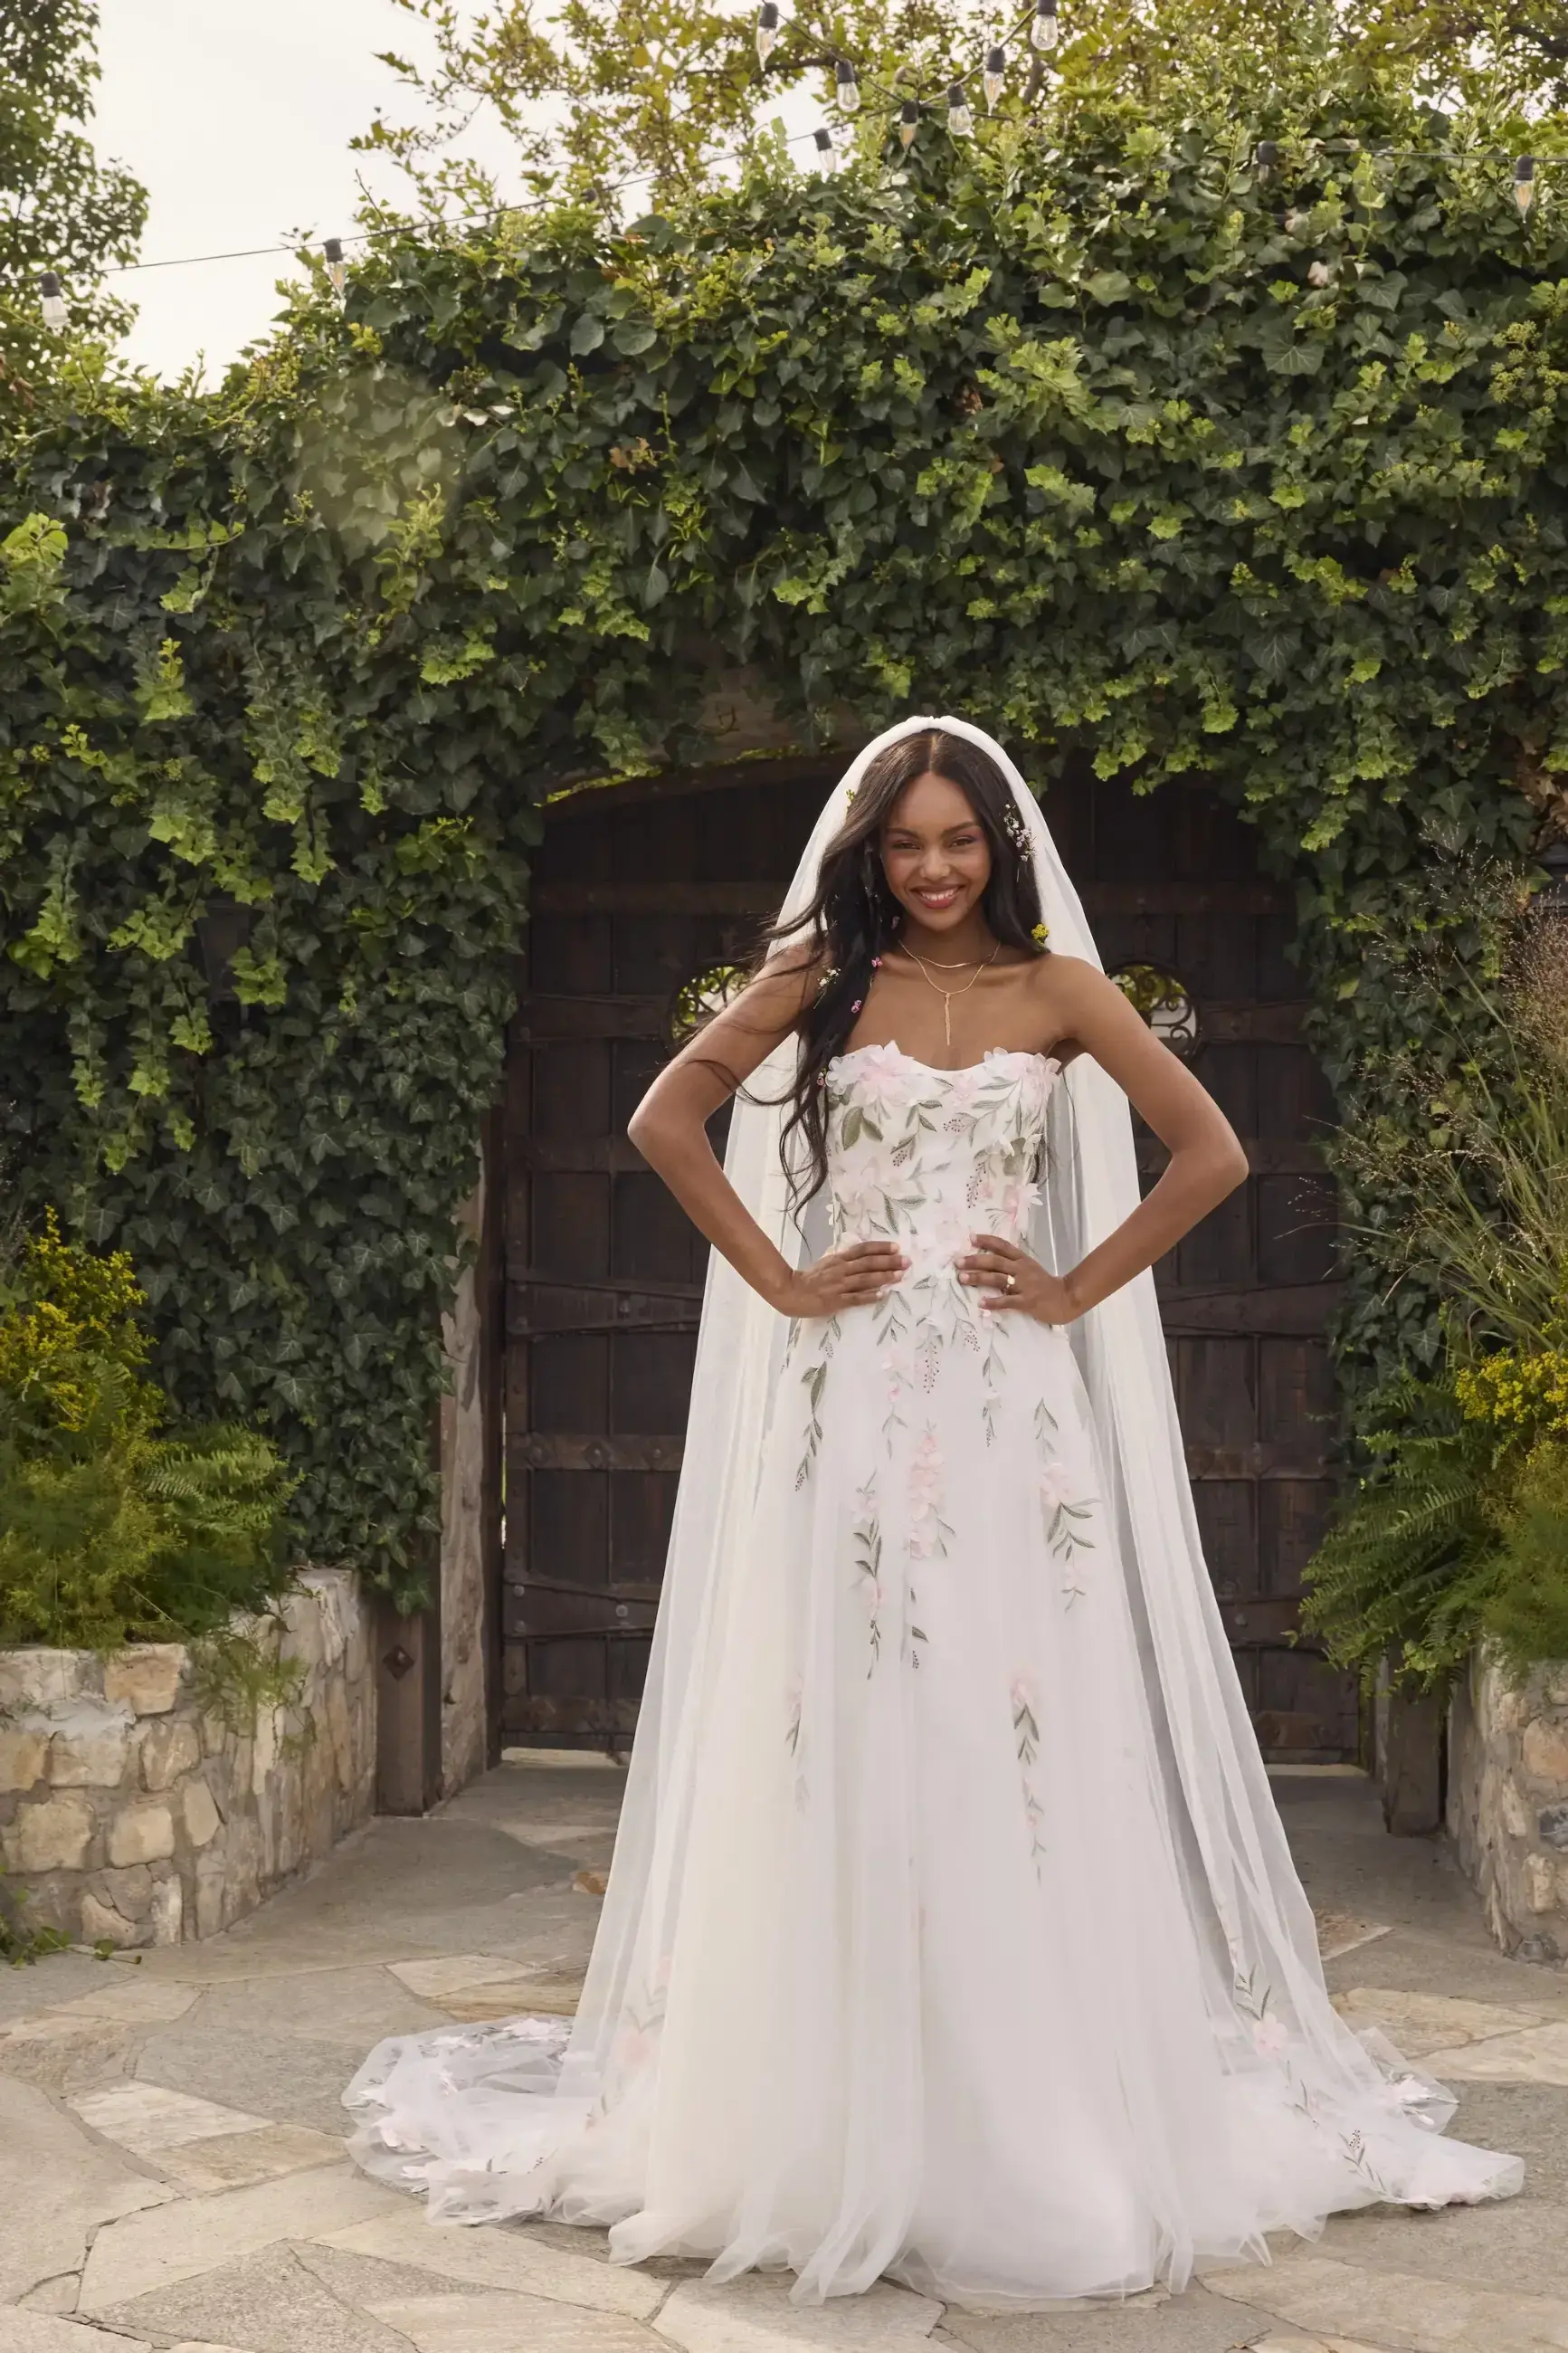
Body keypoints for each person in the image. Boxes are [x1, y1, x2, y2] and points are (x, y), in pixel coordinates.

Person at [347, 716, 1521, 2309]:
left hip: (1010, 1417)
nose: (934, 867)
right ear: (871, 856)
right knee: (848, 1715)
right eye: (906, 845)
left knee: (1008, 1720)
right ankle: (828, 2120)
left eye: (957, 841)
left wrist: (1073, 1289)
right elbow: (661, 1122)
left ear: (1000, 848)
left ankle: (1022, 2115)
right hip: (852, 1409)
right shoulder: (822, 984)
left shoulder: (1060, 991)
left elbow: (1213, 1151)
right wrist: (775, 1279)